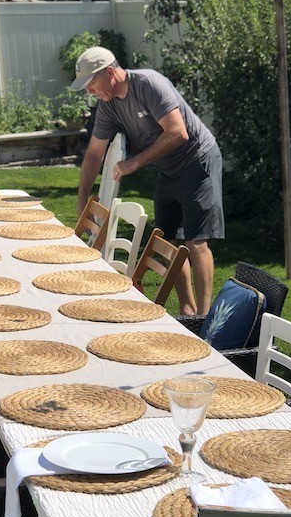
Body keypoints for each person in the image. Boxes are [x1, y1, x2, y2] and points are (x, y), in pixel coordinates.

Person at [71, 46, 224, 315]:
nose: (89, 92)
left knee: (196, 241)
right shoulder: (108, 107)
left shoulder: (149, 84)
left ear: (109, 72)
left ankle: (205, 319)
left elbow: (178, 133)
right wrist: (83, 198)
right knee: (167, 242)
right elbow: (94, 153)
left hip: (197, 160)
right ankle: (188, 312)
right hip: (168, 168)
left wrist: (136, 162)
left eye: (91, 84)